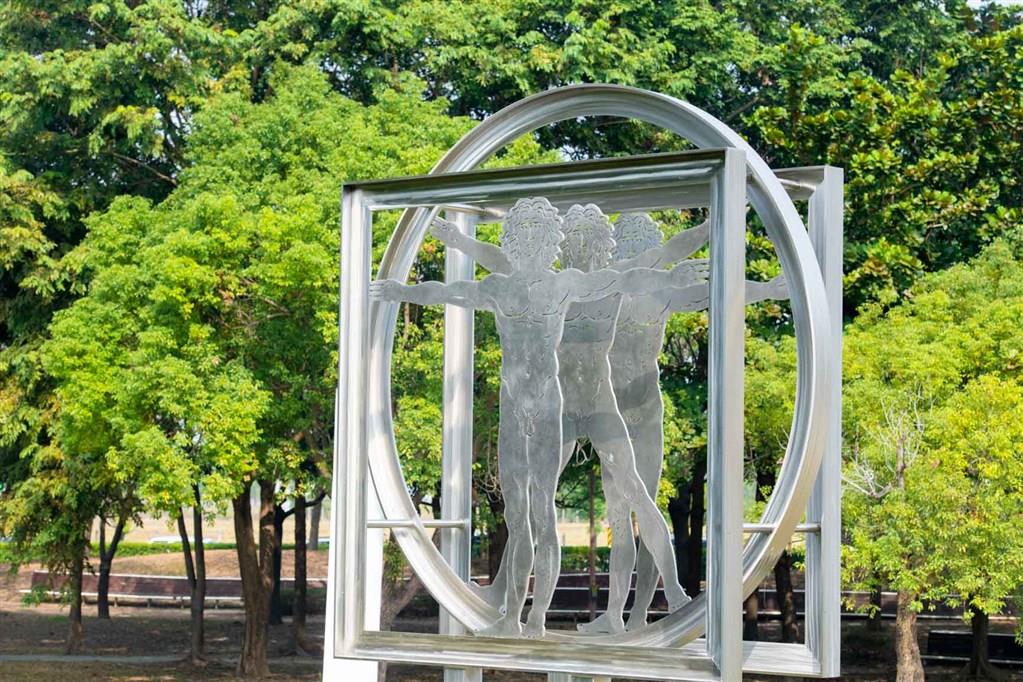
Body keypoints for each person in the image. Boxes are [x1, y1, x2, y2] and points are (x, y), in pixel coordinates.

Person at [372, 197, 709, 638]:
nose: (581, 245)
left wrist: (695, 248)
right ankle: (509, 601)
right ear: (563, 243)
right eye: (576, 237)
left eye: (589, 238)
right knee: (527, 508)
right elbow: (484, 273)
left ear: (599, 243)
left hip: (598, 402)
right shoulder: (545, 283)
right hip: (558, 408)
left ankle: (674, 592)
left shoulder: (591, 284)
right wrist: (449, 247)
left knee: (632, 494)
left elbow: (652, 263)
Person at [607, 212, 788, 630]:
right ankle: (617, 614)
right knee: (620, 514)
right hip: (611, 412)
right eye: (627, 246)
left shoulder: (658, 290)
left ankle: (642, 611)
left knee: (643, 505)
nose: (632, 254)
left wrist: (766, 288)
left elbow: (716, 291)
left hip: (643, 410)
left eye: (637, 246)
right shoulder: (609, 290)